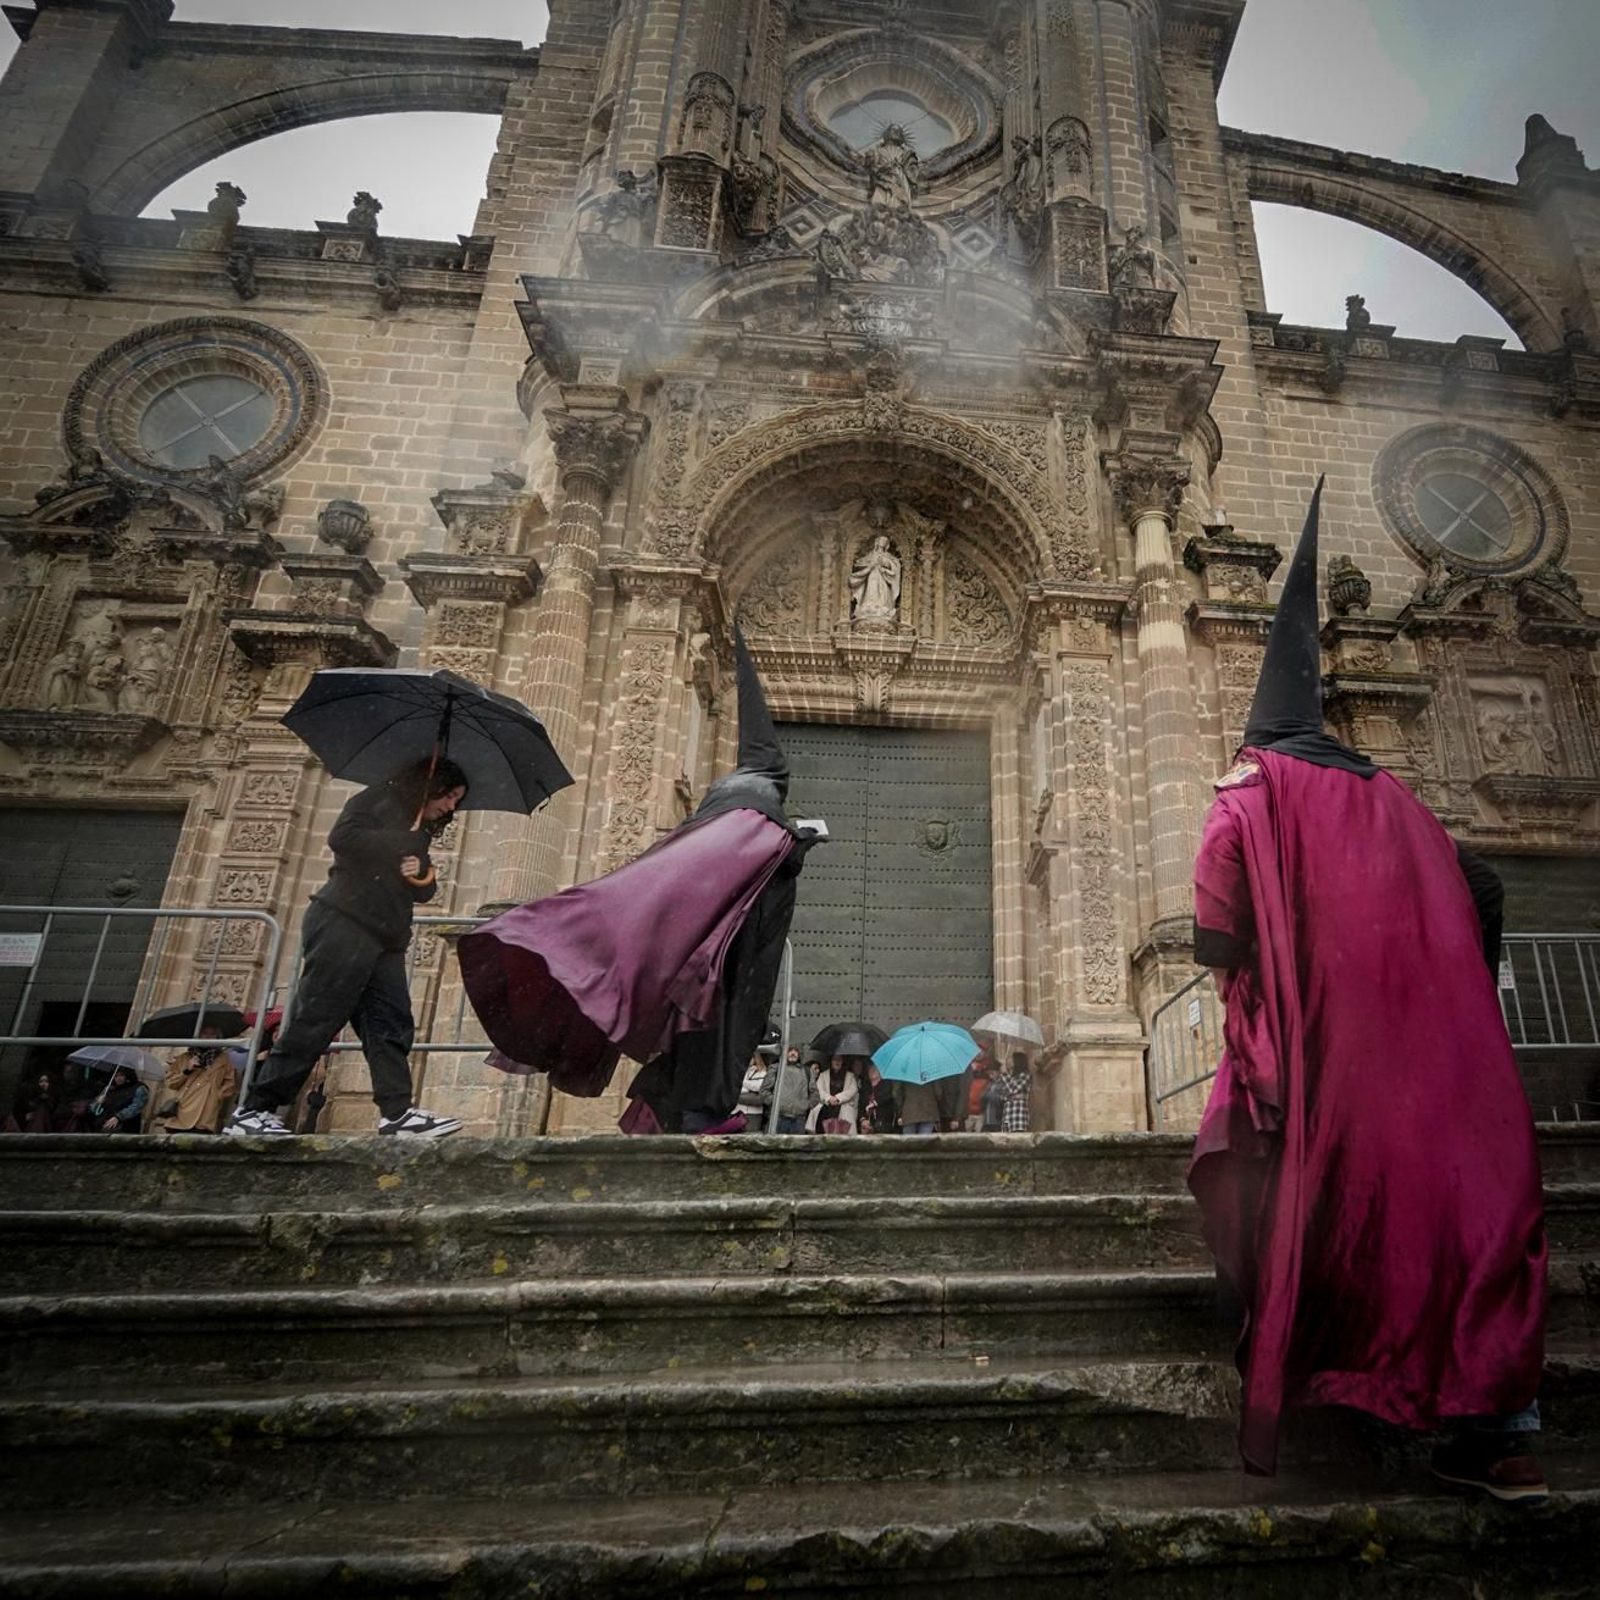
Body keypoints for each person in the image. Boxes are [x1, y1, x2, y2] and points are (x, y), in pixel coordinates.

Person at [1188, 478, 1548, 1500]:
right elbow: (1483, 885)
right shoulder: (1402, 800)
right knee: (1473, 1216)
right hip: (1451, 1067)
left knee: (1308, 1201)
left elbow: (1213, 937)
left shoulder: (1246, 791)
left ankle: (1327, 1377)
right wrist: (1458, 989)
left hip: (1333, 1060)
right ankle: (1501, 1437)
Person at [462, 629, 824, 1132]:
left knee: (701, 1031)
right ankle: (695, 1113)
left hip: (703, 962)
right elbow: (760, 867)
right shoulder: (756, 811)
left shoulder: (722, 821)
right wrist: (794, 843)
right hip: (726, 970)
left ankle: (678, 1112)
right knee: (719, 1031)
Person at [226, 758, 468, 1139]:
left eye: (457, 800)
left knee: (390, 1024)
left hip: (385, 937)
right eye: (450, 795)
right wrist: (400, 843)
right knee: (318, 1016)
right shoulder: (379, 799)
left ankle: (397, 1112)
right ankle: (255, 1109)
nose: (451, 806)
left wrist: (418, 873)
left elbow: (425, 889)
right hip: (345, 922)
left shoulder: (417, 830)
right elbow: (342, 838)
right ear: (432, 783)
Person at [156, 1024, 237, 1135]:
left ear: (217, 1037)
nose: (208, 1037)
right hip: (183, 1108)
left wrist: (216, 1096)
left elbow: (230, 1083)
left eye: (212, 1034)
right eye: (204, 1033)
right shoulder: (185, 1057)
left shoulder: (224, 1059)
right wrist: (187, 1071)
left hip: (206, 1112)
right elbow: (171, 1083)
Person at [806, 1055, 860, 1133]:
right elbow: (819, 1089)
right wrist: (829, 1098)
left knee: (844, 1136)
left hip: (844, 1109)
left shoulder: (850, 1076)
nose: (837, 1062)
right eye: (835, 1059)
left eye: (839, 1060)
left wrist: (838, 1098)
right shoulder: (823, 1075)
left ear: (842, 1062)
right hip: (827, 1109)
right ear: (831, 1061)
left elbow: (853, 1090)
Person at [89, 1065, 147, 1133]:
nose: (118, 1078)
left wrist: (118, 1117)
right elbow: (93, 1109)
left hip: (126, 1128)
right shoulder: (109, 1088)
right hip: (105, 1127)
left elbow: (136, 1107)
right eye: (116, 1076)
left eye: (121, 1075)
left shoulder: (138, 1088)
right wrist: (98, 1102)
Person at [993, 1052, 1032, 1133]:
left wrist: (1004, 1074)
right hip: (1007, 1114)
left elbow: (1013, 1089)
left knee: (1018, 1136)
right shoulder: (1009, 1077)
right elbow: (997, 1091)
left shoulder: (1025, 1075)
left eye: (1011, 1058)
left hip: (1018, 1115)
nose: (1009, 1061)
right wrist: (1010, 1096)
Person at [857, 1060, 899, 1135]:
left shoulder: (887, 1084)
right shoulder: (865, 1086)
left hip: (884, 1124)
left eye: (874, 1068)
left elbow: (888, 1096)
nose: (872, 1071)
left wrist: (874, 1103)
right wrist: (863, 1120)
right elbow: (860, 1105)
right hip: (867, 1126)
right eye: (870, 1069)